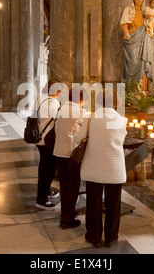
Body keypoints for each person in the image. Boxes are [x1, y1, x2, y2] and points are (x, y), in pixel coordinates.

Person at [76, 89, 127, 248]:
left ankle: (94, 237)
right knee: (114, 203)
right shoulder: (122, 119)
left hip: (94, 167)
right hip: (114, 167)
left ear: (98, 101)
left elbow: (78, 138)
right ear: (115, 102)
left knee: (94, 203)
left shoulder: (90, 118)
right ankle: (111, 237)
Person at [53, 87, 88, 229]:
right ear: (80, 99)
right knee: (73, 186)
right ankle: (67, 220)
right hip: (71, 153)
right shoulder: (81, 112)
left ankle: (65, 212)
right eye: (85, 99)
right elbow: (82, 134)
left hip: (58, 151)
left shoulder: (62, 109)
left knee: (64, 184)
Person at [35, 79, 62, 210]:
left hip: (39, 138)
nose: (61, 92)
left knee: (44, 167)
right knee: (48, 169)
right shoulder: (53, 102)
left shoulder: (41, 99)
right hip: (48, 140)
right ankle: (41, 199)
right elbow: (58, 119)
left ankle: (46, 191)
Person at [120, 0, 153, 91]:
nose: (139, 0)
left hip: (144, 38)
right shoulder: (128, 10)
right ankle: (131, 89)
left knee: (145, 61)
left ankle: (143, 89)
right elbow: (124, 24)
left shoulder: (145, 11)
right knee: (133, 62)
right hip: (132, 38)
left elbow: (151, 23)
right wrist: (126, 34)